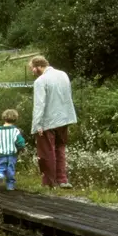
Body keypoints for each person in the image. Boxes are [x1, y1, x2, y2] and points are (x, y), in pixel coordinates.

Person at [28, 55, 77, 189]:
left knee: (46, 152)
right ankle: (62, 180)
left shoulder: (40, 81)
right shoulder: (63, 75)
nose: (32, 71)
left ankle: (50, 182)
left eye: (32, 68)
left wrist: (37, 124)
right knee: (60, 149)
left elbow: (39, 104)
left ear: (38, 67)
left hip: (47, 121)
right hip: (64, 119)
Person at [0, 109, 27, 191]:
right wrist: (22, 148)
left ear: (4, 118)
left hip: (1, 154)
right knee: (10, 170)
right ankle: (10, 185)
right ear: (15, 119)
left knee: (0, 167)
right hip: (12, 155)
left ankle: (0, 175)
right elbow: (20, 142)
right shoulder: (15, 131)